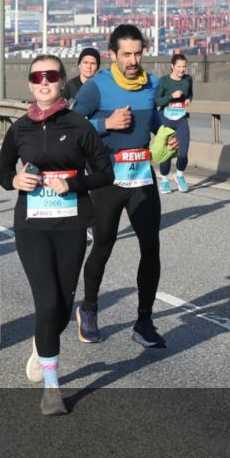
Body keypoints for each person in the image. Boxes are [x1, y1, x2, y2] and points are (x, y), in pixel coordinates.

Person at [0, 54, 114, 415]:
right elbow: (1, 172)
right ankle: (52, 387)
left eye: (50, 76)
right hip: (31, 226)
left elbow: (105, 173)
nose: (43, 82)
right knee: (46, 303)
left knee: (61, 308)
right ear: (30, 85)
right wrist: (14, 179)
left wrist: (74, 183)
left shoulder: (79, 125)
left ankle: (41, 342)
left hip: (71, 225)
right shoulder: (19, 128)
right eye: (37, 77)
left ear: (62, 81)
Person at [74, 24, 177, 348]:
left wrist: (166, 136)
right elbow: (73, 127)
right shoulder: (97, 87)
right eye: (127, 54)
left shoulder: (152, 84)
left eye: (138, 53)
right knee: (103, 244)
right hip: (107, 178)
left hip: (141, 177)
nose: (133, 60)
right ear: (112, 55)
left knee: (151, 247)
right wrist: (106, 123)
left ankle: (144, 322)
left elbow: (155, 122)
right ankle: (88, 309)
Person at [155, 53, 194, 194]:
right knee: (167, 153)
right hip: (165, 120)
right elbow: (157, 101)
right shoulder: (164, 81)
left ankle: (179, 175)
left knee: (183, 152)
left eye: (184, 67)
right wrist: (171, 96)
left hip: (181, 120)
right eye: (179, 67)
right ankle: (164, 180)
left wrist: (188, 100)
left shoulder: (188, 79)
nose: (182, 70)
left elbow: (190, 94)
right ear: (172, 66)